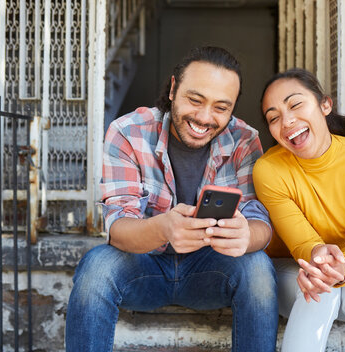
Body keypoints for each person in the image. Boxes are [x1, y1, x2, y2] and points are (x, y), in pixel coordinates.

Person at [65, 46, 279, 352]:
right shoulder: (127, 132)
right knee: (97, 268)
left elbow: (260, 222)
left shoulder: (245, 140)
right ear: (174, 89)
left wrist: (247, 236)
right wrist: (164, 228)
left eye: (221, 107)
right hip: (143, 267)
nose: (205, 117)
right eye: (195, 100)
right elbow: (118, 229)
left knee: (257, 268)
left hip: (211, 271)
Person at [252, 68, 345, 352]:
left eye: (295, 104)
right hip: (290, 273)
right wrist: (320, 259)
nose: (287, 121)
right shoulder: (269, 169)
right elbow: (303, 242)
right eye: (274, 117)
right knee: (321, 288)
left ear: (325, 105)